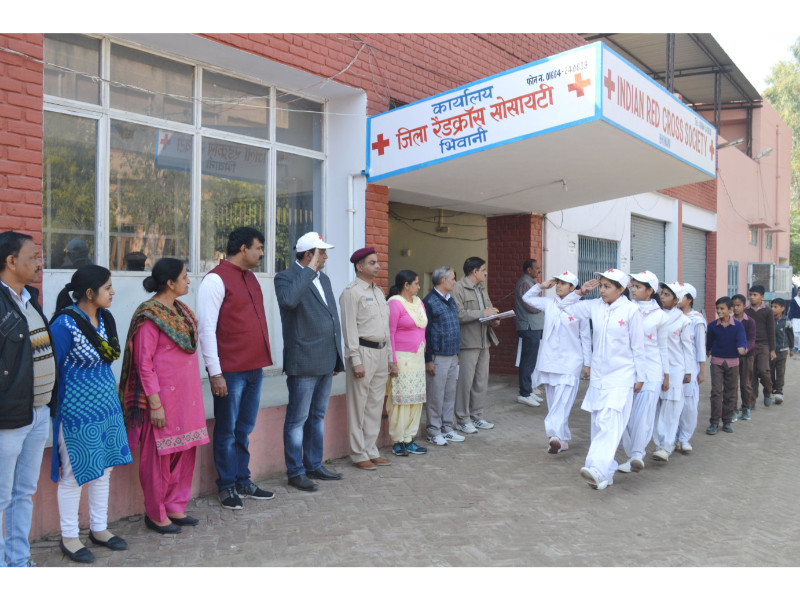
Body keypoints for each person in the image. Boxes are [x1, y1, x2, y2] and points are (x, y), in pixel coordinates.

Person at [119, 258, 209, 534]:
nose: (189, 281)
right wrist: (155, 404)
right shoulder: (149, 316)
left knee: (185, 450)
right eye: (184, 277)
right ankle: (156, 514)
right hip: (161, 399)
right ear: (170, 283)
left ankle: (175, 505)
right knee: (158, 457)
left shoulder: (182, 311)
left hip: (187, 397)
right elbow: (143, 363)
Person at [49, 265, 132, 563]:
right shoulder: (64, 324)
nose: (112, 292)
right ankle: (70, 537)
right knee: (74, 474)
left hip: (107, 407)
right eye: (107, 287)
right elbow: (51, 369)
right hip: (76, 412)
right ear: (89, 292)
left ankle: (99, 528)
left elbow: (108, 357)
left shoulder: (105, 318)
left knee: (104, 468)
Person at [197, 226, 274, 510]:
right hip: (229, 372)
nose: (262, 253)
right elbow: (206, 329)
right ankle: (227, 485)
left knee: (244, 429)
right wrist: (215, 373)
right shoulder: (215, 280)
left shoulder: (251, 278)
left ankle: (243, 480)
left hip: (254, 369)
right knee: (227, 430)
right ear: (243, 248)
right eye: (259, 248)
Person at [559, 269, 646, 491]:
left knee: (610, 423)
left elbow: (638, 346)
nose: (602, 291)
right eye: (601, 286)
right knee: (598, 423)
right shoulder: (595, 306)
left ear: (621, 289)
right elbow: (564, 306)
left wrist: (641, 376)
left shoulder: (631, 311)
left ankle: (596, 468)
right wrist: (580, 292)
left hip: (622, 376)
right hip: (599, 377)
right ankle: (606, 473)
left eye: (608, 286)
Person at [0, 232, 57, 568]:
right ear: (10, 261)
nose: (39, 263)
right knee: (1, 496)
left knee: (23, 493)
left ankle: (18, 562)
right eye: (33, 256)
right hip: (9, 418)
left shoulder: (29, 299)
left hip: (37, 413)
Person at [274, 232, 344, 492]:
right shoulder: (286, 277)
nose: (325, 257)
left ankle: (314, 464)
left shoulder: (323, 279)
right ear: (308, 255)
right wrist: (309, 271)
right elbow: (289, 301)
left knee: (317, 416)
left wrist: (336, 357)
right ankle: (295, 472)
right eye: (321, 253)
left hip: (325, 359)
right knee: (298, 419)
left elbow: (332, 317)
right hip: (303, 361)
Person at [521, 271, 591, 454]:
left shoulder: (581, 308)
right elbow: (526, 298)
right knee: (554, 402)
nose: (558, 286)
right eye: (558, 282)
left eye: (563, 283)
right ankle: (562, 439)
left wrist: (588, 363)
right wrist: (541, 286)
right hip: (549, 361)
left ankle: (554, 435)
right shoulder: (549, 303)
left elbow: (585, 337)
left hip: (571, 361)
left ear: (573, 288)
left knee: (563, 401)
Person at [339, 247, 395, 470]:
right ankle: (358, 453)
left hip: (380, 353)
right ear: (359, 267)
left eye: (377, 262)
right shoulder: (351, 292)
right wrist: (355, 359)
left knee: (374, 405)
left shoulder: (379, 292)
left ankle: (371, 450)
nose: (378, 266)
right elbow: (349, 329)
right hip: (363, 352)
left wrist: (389, 357)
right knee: (358, 406)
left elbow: (385, 328)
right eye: (372, 263)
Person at [617, 271, 669, 473]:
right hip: (627, 370)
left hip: (651, 371)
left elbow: (663, 347)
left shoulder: (660, 316)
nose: (634, 289)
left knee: (644, 416)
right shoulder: (626, 308)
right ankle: (633, 453)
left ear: (650, 291)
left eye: (639, 287)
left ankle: (637, 454)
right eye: (634, 286)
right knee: (627, 416)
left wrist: (666, 375)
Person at [452, 257, 500, 434]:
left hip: (484, 341)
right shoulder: (458, 288)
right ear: (474, 271)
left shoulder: (481, 288)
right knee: (465, 383)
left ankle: (477, 416)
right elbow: (458, 314)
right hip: (467, 343)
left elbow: (489, 309)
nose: (486, 273)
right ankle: (462, 419)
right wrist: (482, 313)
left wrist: (494, 318)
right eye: (483, 270)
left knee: (480, 381)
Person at [386, 270, 428, 456]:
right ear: (406, 285)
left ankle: (409, 439)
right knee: (401, 400)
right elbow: (390, 333)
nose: (419, 286)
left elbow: (423, 328)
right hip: (402, 359)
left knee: (416, 399)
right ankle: (398, 441)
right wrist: (393, 361)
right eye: (416, 283)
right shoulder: (395, 304)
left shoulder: (418, 303)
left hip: (418, 357)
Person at [422, 266, 465, 446]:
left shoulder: (450, 300)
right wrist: (428, 359)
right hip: (437, 356)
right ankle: (434, 430)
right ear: (443, 280)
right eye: (453, 278)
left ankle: (447, 428)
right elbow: (426, 332)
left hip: (452, 354)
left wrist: (457, 353)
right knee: (435, 395)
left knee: (449, 394)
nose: (455, 282)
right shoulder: (429, 301)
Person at [650, 282, 693, 463]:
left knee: (672, 408)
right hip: (656, 367)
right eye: (662, 293)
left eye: (667, 295)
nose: (662, 297)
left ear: (676, 300)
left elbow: (687, 347)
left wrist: (689, 370)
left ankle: (666, 446)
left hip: (675, 368)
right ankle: (659, 442)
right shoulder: (655, 315)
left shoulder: (683, 321)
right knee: (657, 407)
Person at [705, 297, 747, 434]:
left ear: (730, 309)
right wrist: (707, 350)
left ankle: (727, 421)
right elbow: (709, 341)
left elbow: (742, 340)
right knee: (716, 392)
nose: (719, 311)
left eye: (722, 308)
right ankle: (714, 422)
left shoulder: (738, 326)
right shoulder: (712, 326)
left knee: (730, 392)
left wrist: (742, 347)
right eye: (717, 308)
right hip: (716, 363)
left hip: (733, 363)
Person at [675, 282, 707, 453]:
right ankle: (672, 437)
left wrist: (702, 370)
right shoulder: (671, 316)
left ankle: (684, 437)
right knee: (672, 403)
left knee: (689, 405)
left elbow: (700, 347)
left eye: (680, 296)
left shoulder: (696, 320)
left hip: (690, 367)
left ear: (689, 299)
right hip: (673, 366)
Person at [514, 259, 545, 407]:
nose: (539, 271)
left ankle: (529, 390)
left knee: (531, 361)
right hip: (529, 327)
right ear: (528, 270)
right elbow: (530, 306)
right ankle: (524, 393)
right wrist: (545, 305)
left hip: (534, 326)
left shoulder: (530, 283)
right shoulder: (525, 283)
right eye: (536, 268)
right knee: (527, 361)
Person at [746, 285, 776, 407]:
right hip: (750, 345)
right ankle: (752, 400)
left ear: (762, 297)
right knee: (751, 373)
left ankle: (768, 391)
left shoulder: (768, 311)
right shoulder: (746, 311)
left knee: (763, 370)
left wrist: (772, 349)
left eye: (755, 295)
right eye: (750, 295)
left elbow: (771, 330)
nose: (752, 297)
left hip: (764, 345)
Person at [732, 294, 756, 420]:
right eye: (733, 305)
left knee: (745, 384)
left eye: (738, 305)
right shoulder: (729, 321)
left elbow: (752, 339)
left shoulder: (750, 321)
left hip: (747, 356)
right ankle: (733, 410)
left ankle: (746, 408)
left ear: (744, 306)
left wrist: (746, 348)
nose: (736, 308)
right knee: (732, 384)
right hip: (732, 357)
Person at [770, 298, 793, 404]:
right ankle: (772, 388)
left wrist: (791, 348)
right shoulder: (769, 320)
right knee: (770, 371)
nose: (773, 309)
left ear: (782, 308)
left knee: (780, 372)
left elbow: (790, 335)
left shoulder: (786, 321)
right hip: (771, 351)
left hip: (783, 351)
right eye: (772, 307)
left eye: (775, 307)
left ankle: (779, 392)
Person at [788, 284, 800, 352]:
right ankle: (796, 346)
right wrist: (789, 318)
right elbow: (791, 310)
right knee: (795, 334)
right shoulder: (794, 300)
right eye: (799, 291)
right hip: (795, 319)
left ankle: (799, 348)